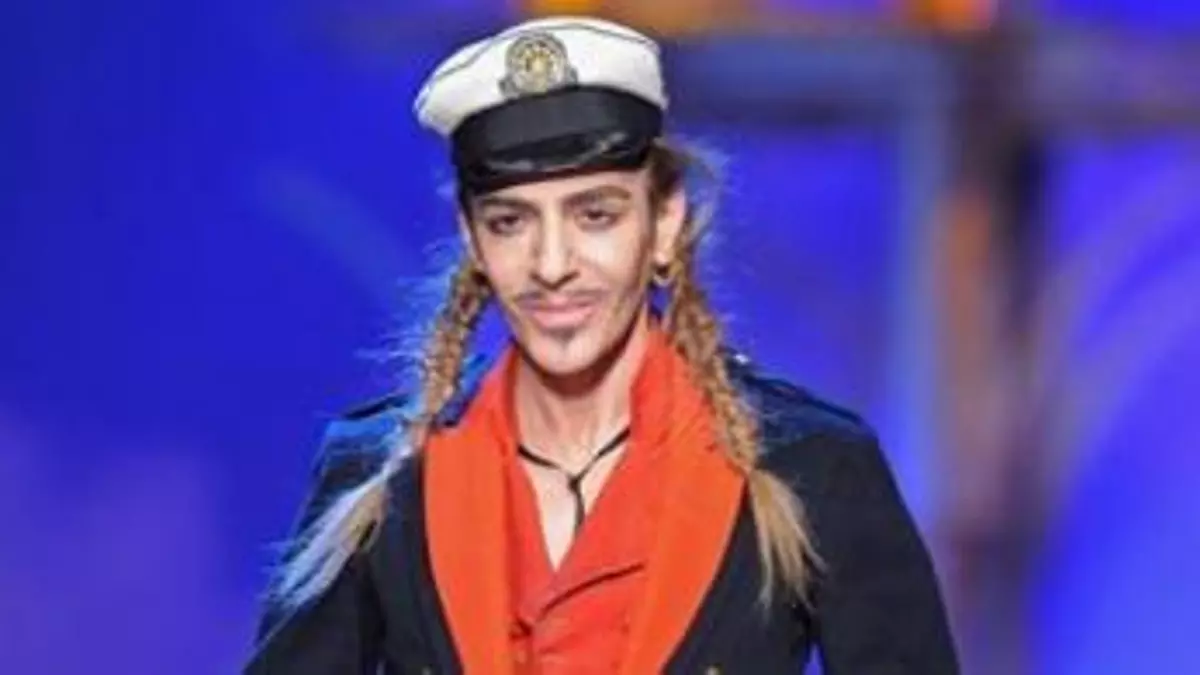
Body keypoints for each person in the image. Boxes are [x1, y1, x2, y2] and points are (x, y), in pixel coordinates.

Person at [244, 16, 958, 675]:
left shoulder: (811, 467)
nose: (552, 263)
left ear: (665, 221)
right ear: (472, 238)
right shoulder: (377, 480)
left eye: (595, 215)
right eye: (511, 221)